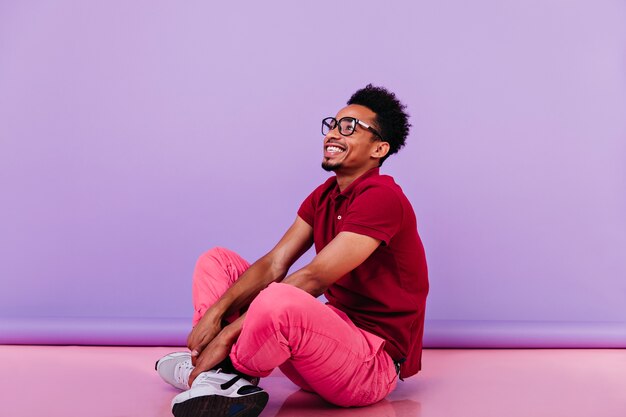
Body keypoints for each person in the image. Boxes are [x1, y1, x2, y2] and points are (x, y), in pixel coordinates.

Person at [155, 84, 429, 417]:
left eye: (350, 128)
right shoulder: (325, 195)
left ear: (379, 149)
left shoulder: (382, 197)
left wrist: (227, 334)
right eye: (333, 125)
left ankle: (226, 370)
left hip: (369, 367)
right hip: (319, 347)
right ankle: (218, 373)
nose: (333, 134)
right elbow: (274, 263)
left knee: (278, 298)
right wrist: (217, 312)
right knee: (218, 261)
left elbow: (314, 278)